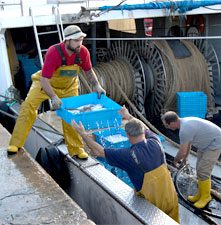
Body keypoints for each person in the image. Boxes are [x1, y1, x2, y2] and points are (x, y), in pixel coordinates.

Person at [7, 25, 106, 159]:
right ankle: (16, 143)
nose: (79, 43)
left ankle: (76, 149)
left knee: (71, 115)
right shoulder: (54, 52)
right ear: (67, 41)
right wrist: (53, 97)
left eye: (81, 40)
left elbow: (88, 71)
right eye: (76, 40)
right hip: (45, 85)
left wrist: (97, 86)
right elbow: (44, 81)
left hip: (69, 87)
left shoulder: (83, 52)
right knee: (28, 106)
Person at [71, 105, 180, 223]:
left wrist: (82, 133)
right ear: (143, 132)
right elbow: (145, 127)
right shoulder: (155, 141)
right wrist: (127, 116)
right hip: (170, 197)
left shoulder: (128, 156)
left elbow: (98, 151)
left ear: (127, 136)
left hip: (152, 206)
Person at [161, 111, 221, 209]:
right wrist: (186, 157)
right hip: (205, 144)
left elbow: (181, 151)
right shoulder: (184, 124)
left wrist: (175, 161)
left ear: (172, 123)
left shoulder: (184, 130)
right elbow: (188, 144)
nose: (167, 128)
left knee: (203, 171)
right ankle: (200, 194)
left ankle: (206, 197)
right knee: (199, 169)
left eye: (167, 125)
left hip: (215, 142)